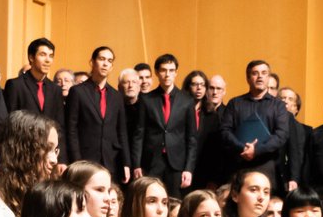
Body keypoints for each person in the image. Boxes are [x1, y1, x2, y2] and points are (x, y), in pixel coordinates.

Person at [132, 54, 195, 198]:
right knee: (149, 200)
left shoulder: (187, 100)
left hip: (177, 164)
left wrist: (188, 169)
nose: (168, 74)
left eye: (171, 70)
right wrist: (136, 164)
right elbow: (139, 134)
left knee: (175, 204)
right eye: (163, 70)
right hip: (151, 162)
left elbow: (191, 138)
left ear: (176, 73)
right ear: (156, 72)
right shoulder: (146, 100)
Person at [219, 60, 289, 191]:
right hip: (239, 164)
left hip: (266, 164)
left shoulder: (278, 105)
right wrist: (243, 148)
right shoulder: (235, 103)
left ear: (268, 78)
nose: (260, 76)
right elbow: (225, 131)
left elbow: (281, 135)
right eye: (255, 73)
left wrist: (256, 150)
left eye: (264, 73)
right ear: (248, 78)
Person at [65, 46, 128, 182]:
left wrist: (126, 163)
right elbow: (71, 129)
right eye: (102, 59)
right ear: (92, 62)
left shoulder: (116, 96)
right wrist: (76, 161)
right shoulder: (77, 92)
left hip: (111, 159)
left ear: (112, 67)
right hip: (85, 158)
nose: (106, 63)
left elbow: (121, 132)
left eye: (109, 61)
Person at [4, 39, 65, 156]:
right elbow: (10, 122)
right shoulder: (15, 85)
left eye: (51, 56)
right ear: (31, 57)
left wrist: (61, 159)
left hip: (48, 150)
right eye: (43, 55)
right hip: (22, 150)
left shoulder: (55, 89)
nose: (48, 60)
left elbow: (60, 126)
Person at [185, 70, 224, 190]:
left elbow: (216, 150)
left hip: (204, 172)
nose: (199, 88)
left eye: (202, 85)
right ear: (187, 87)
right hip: (182, 170)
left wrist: (213, 178)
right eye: (195, 84)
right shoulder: (180, 111)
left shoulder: (212, 115)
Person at [277, 86, 311, 192]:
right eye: (282, 98)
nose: (285, 101)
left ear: (296, 107)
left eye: (290, 99)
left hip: (298, 179)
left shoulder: (307, 131)